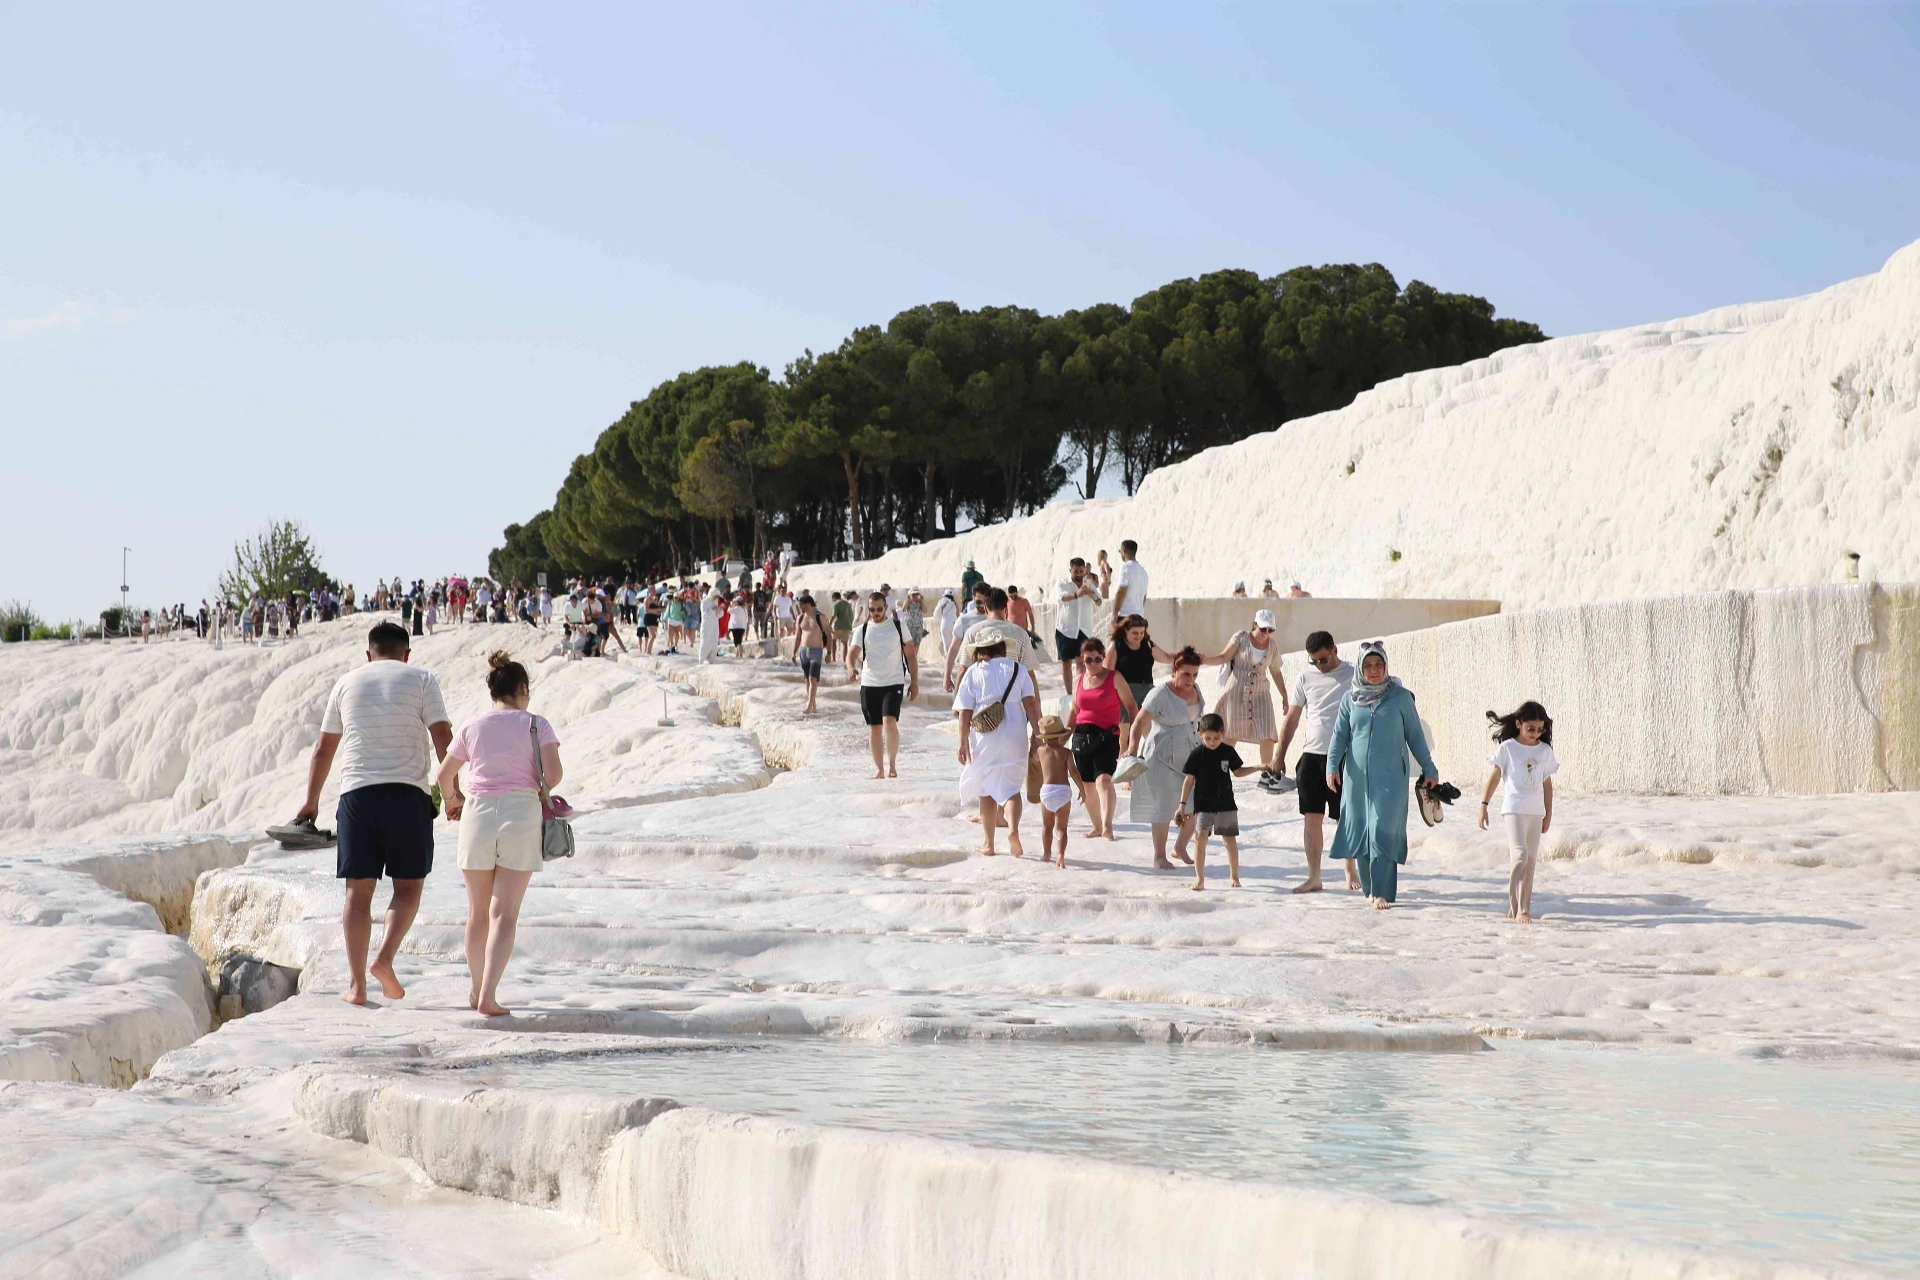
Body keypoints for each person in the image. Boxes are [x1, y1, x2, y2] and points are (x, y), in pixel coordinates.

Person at [291, 621, 452, 1005]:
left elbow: (323, 750)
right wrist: (452, 791)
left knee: (357, 894)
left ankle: (357, 986)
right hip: (408, 795)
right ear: (406, 653)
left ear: (369, 653)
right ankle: (384, 958)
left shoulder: (346, 682)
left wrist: (311, 802)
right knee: (408, 888)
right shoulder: (422, 679)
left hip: (356, 797)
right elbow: (443, 738)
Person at [435, 652, 562, 1017]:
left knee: (476, 912)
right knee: (504, 913)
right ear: (522, 689)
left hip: (476, 813)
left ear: (492, 692)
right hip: (519, 812)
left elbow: (445, 775)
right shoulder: (537, 724)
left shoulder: (473, 725)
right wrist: (538, 790)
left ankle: (476, 991)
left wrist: (452, 801)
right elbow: (553, 773)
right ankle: (489, 995)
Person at [1326, 641, 1439, 910]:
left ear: (1386, 666)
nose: (1374, 670)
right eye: (1368, 665)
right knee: (1362, 832)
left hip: (1391, 778)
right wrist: (1332, 766)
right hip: (1355, 777)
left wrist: (1429, 768)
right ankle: (1370, 889)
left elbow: (1416, 736)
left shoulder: (1400, 697)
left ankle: (1382, 893)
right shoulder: (1350, 698)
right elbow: (1339, 735)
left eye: (1378, 665)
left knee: (1382, 831)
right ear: (1360, 668)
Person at [1277, 631, 1358, 894]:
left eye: (1323, 659)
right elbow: (1292, 717)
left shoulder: (1354, 674)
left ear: (1334, 649)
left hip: (1346, 756)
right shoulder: (1305, 677)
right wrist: (1279, 755)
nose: (1320, 666)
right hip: (1311, 757)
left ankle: (1350, 868)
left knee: (1346, 817)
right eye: (1315, 661)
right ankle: (1314, 876)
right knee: (1311, 818)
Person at [953, 623, 1041, 857]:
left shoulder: (974, 672)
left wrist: (962, 741)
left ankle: (989, 844)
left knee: (986, 789)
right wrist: (1039, 735)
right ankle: (1013, 829)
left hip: (984, 734)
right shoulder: (1018, 669)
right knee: (1012, 788)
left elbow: (965, 711)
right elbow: (1031, 704)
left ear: (982, 650)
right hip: (1015, 730)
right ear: (1003, 648)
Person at [1124, 646, 1207, 870]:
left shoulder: (1196, 689)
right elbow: (1140, 721)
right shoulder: (1161, 693)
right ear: (1174, 671)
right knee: (1162, 806)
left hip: (1191, 751)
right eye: (1186, 674)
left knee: (1197, 802)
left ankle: (1180, 846)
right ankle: (1159, 855)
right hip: (1161, 754)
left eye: (1195, 674)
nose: (1191, 679)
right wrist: (1132, 747)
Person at [1480, 701, 1558, 923]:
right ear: (1518, 724)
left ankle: (1523, 909)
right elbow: (1495, 777)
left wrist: (1548, 814)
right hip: (1513, 809)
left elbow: (1547, 786)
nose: (1535, 733)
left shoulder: (1544, 751)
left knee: (1531, 860)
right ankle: (1514, 903)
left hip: (1536, 812)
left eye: (1539, 729)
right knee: (1520, 856)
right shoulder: (1508, 748)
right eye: (1530, 728)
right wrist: (1483, 805)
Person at [1208, 609, 1291, 791]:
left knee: (1267, 731)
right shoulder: (1241, 637)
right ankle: (1214, 773)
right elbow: (1224, 657)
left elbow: (1275, 671)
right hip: (1237, 691)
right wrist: (1203, 660)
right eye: (1263, 629)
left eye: (1270, 630)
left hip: (1261, 692)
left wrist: (1284, 695)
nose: (1266, 634)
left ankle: (1268, 776)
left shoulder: (1273, 647)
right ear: (1255, 624)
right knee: (1230, 734)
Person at [1180, 713, 1263, 891]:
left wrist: (1257, 767)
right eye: (1208, 738)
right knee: (1200, 838)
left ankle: (1234, 876)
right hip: (1203, 804)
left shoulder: (1227, 751)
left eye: (1216, 738)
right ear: (1200, 734)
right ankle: (1200, 878)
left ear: (1223, 734)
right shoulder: (1197, 754)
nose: (1212, 742)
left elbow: (1238, 771)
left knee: (1229, 840)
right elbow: (1188, 780)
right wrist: (1182, 805)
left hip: (1225, 803)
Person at [1068, 636, 1138, 840]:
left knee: (1104, 780)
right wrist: (1063, 733)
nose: (1093, 664)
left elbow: (1132, 706)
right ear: (1082, 659)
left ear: (1103, 657)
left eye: (1098, 659)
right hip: (1082, 736)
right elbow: (1075, 711)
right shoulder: (1078, 680)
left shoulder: (1114, 677)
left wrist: (1133, 734)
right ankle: (1096, 826)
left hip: (1107, 736)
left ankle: (1108, 826)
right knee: (1087, 783)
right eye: (1089, 660)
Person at [847, 591, 919, 778]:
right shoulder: (862, 630)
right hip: (870, 683)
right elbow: (852, 654)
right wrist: (850, 668)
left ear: (886, 607)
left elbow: (910, 654)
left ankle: (892, 764)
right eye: (872, 609)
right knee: (875, 727)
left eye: (879, 609)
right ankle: (879, 769)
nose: (876, 612)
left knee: (889, 722)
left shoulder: (897, 626)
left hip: (893, 681)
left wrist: (914, 682)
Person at [943, 587, 1040, 692]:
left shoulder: (972, 632)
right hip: (1012, 701)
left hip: (980, 702)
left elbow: (963, 670)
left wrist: (957, 705)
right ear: (1006, 609)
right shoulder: (1021, 634)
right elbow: (1030, 675)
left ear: (985, 610)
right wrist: (1037, 706)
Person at [1054, 556, 1105, 695]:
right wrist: (1077, 594)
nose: (1078, 575)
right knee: (1066, 663)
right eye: (1075, 571)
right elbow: (1062, 597)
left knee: (1082, 662)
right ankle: (1069, 694)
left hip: (1084, 629)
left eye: (1081, 571)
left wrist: (1092, 595)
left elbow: (1100, 602)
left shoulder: (1089, 584)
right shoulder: (1062, 583)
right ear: (1070, 570)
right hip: (1065, 629)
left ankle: (1078, 693)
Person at [1034, 714, 1075, 867]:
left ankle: (1046, 854)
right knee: (1062, 828)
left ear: (1044, 737)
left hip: (1047, 791)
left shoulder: (1041, 751)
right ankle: (1061, 854)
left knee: (1047, 826)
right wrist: (1082, 790)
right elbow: (1074, 771)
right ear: (1061, 735)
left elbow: (1033, 759)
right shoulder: (1066, 753)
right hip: (1064, 791)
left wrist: (1035, 743)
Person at [794, 594, 829, 714]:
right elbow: (798, 636)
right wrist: (794, 652)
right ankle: (813, 705)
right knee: (807, 680)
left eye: (801, 604)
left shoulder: (821, 617)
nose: (799, 606)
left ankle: (809, 705)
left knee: (813, 678)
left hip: (816, 651)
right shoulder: (800, 618)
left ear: (807, 604)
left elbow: (829, 635)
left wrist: (829, 652)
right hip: (804, 651)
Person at [1111, 539, 1148, 620]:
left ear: (1123, 551)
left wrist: (1114, 613)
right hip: (1139, 615)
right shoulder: (1143, 571)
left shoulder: (1125, 567)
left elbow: (1121, 591)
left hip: (1125, 616)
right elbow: (1144, 596)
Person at [699, 584, 723, 662]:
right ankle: (701, 660)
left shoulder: (715, 602)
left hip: (714, 626)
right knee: (705, 642)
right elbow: (705, 615)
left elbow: (719, 615)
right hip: (706, 625)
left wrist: (720, 609)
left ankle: (712, 660)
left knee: (714, 643)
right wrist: (713, 609)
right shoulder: (705, 602)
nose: (716, 598)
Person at [829, 590, 855, 663]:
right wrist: (850, 624)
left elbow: (834, 615)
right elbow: (851, 616)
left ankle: (834, 658)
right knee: (845, 644)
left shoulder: (836, 604)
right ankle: (844, 660)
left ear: (834, 597)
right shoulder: (848, 604)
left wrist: (830, 624)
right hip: (847, 626)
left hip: (838, 625)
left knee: (833, 641)